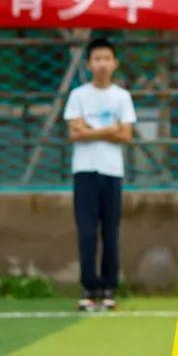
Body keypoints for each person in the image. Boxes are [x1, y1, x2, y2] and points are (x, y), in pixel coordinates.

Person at [63, 37, 136, 312]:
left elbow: (126, 135)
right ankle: (88, 288)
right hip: (84, 172)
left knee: (110, 232)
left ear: (115, 63)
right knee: (87, 232)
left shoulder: (122, 97)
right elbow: (73, 133)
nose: (102, 64)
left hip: (112, 172)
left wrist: (90, 130)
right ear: (89, 64)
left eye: (107, 58)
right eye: (97, 59)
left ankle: (108, 289)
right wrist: (109, 129)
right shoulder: (78, 95)